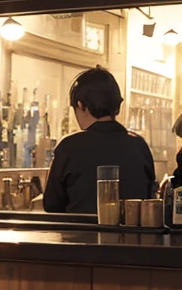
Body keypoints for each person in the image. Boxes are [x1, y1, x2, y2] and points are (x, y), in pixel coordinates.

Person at [43, 67, 156, 213]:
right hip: (131, 235)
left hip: (80, 235)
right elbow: (149, 199)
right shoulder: (140, 146)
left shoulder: (69, 147)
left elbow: (52, 205)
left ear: (80, 105)